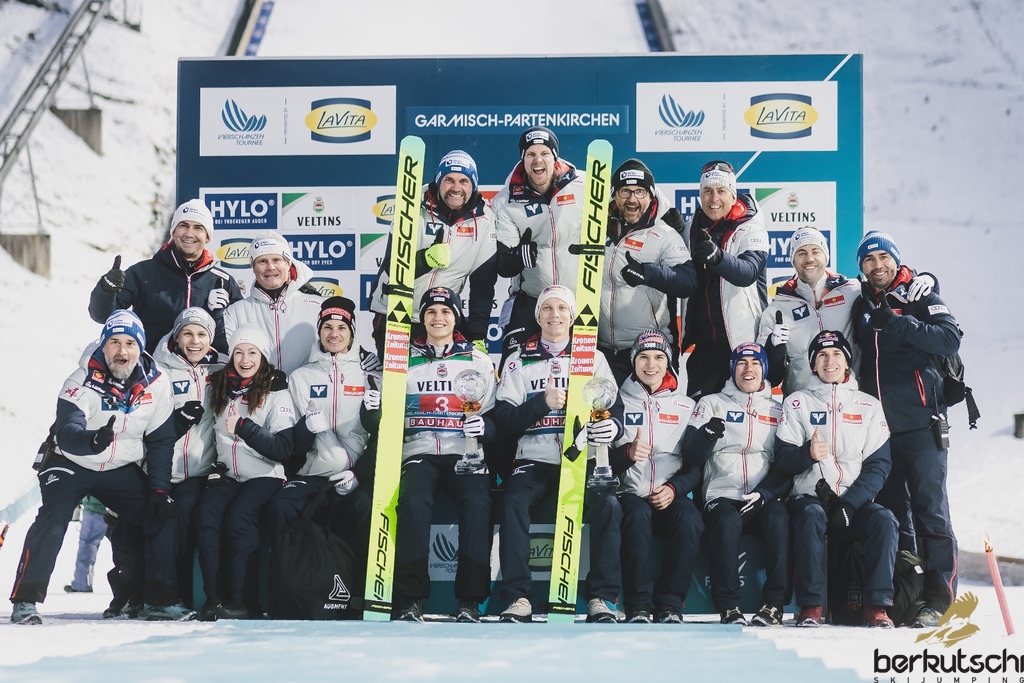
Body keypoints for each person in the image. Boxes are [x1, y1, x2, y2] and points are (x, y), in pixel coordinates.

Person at [9, 310, 186, 624]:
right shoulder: (81, 379)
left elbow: (160, 441)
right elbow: (67, 430)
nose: (122, 351)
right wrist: (91, 441)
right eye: (114, 342)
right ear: (103, 346)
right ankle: (25, 601)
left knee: (161, 514)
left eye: (130, 343)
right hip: (70, 461)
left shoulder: (158, 383)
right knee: (53, 519)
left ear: (140, 347)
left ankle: (157, 600)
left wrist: (159, 490)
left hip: (118, 466)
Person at [493, 285, 625, 624]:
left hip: (582, 459)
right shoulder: (519, 359)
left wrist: (613, 428)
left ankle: (601, 598)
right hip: (534, 458)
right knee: (512, 502)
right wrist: (542, 403)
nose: (555, 315)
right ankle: (518, 597)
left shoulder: (591, 358)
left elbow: (615, 410)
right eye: (547, 308)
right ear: (538, 316)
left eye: (562, 308)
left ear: (572, 316)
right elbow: (504, 420)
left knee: (610, 505)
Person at [852, 230, 961, 627]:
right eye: (869, 259)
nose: (877, 265)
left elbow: (949, 339)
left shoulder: (919, 295)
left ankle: (940, 598)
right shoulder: (861, 303)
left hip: (921, 425)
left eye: (884, 257)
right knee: (895, 515)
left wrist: (898, 323)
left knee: (931, 512)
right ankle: (910, 594)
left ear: (896, 260)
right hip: (880, 432)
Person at [772, 330, 897, 628]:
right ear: (813, 364)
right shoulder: (797, 402)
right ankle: (811, 606)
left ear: (847, 362)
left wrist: (851, 504)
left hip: (853, 502)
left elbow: (879, 465)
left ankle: (877, 606)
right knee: (811, 516)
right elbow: (783, 460)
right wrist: (807, 453)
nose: (830, 361)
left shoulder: (868, 405)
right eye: (822, 356)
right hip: (809, 497)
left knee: (885, 520)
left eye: (837, 354)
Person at [392, 287, 497, 623]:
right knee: (413, 502)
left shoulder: (477, 360)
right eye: (431, 312)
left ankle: (470, 601)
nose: (438, 318)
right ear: (422, 318)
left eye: (446, 312)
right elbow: (389, 413)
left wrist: (484, 427)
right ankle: (410, 599)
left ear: (456, 317)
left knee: (477, 502)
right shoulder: (402, 358)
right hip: (418, 450)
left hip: (464, 452)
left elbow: (495, 415)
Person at [268, 296, 378, 590]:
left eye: (342, 328)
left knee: (367, 507)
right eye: (327, 327)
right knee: (281, 505)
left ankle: (364, 594)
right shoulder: (300, 377)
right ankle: (286, 592)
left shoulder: (370, 374)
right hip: (314, 473)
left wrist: (359, 475)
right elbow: (290, 441)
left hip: (357, 473)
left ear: (352, 332)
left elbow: (382, 435)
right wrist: (306, 429)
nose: (334, 334)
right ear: (319, 332)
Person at [680, 342, 789, 626]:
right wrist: (707, 434)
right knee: (726, 522)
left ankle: (774, 605)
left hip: (761, 496)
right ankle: (729, 606)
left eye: (755, 363)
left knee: (779, 517)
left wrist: (765, 494)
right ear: (732, 369)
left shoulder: (778, 410)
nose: (748, 369)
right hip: (722, 493)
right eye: (741, 363)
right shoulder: (711, 403)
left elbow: (785, 464)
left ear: (765, 369)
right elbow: (690, 455)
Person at [194, 324, 296, 620]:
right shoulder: (220, 387)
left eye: (252, 352)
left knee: (240, 516)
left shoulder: (276, 392)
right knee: (207, 515)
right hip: (228, 474)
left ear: (263, 357)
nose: (245, 359)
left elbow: (283, 448)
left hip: (265, 474)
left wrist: (244, 427)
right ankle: (213, 597)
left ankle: (244, 600)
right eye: (238, 352)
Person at [758, 226, 937, 395]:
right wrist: (773, 349)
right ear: (792, 259)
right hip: (802, 405)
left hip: (852, 403)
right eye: (801, 253)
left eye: (815, 251)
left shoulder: (852, 290)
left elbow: (889, 282)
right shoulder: (777, 310)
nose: (809, 259)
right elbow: (766, 375)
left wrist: (927, 280)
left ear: (826, 256)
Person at [610, 329, 702, 624]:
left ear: (669, 362)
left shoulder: (686, 406)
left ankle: (670, 604)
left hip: (669, 493)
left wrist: (674, 489)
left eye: (659, 357)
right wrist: (627, 454)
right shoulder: (616, 402)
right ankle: (638, 604)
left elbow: (696, 466)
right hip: (629, 493)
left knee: (690, 520)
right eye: (644, 357)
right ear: (633, 362)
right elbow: (600, 461)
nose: (651, 365)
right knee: (636, 518)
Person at [369, 149, 498, 357]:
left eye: (464, 181)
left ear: (473, 185)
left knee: (443, 375)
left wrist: (477, 334)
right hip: (396, 311)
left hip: (440, 318)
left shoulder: (484, 220)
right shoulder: (411, 203)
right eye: (449, 180)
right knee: (396, 374)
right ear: (438, 181)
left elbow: (482, 285)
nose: (456, 188)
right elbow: (393, 266)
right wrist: (425, 259)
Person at [88, 199, 242, 354]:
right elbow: (102, 316)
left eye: (198, 228)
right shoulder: (142, 273)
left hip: (204, 368)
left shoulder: (223, 281)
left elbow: (241, 335)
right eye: (183, 225)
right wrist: (106, 288)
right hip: (153, 366)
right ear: (173, 232)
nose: (189, 234)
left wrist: (216, 315)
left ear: (207, 237)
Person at [150, 306, 225, 613]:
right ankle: (142, 595)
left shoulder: (219, 370)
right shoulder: (157, 371)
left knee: (182, 520)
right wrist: (177, 420)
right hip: (160, 470)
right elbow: (145, 422)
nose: (195, 341)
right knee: (146, 526)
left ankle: (175, 596)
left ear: (211, 339)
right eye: (188, 334)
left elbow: (252, 376)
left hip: (198, 471)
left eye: (202, 335)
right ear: (176, 337)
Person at [492, 126, 585, 369]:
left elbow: (633, 194)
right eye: (530, 154)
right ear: (523, 159)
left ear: (555, 157)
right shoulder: (506, 200)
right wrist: (517, 256)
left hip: (579, 298)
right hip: (532, 298)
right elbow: (503, 265)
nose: (538, 160)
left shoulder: (585, 185)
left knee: (582, 372)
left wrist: (666, 215)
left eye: (544, 153)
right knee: (512, 368)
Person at [599, 159, 697, 385]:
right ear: (614, 195)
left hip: (649, 351)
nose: (632, 199)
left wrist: (648, 273)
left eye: (640, 192)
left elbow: (688, 281)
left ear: (651, 196)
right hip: (602, 351)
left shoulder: (664, 234)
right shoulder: (595, 230)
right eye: (625, 191)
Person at [680, 161, 769, 399]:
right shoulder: (690, 228)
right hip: (704, 350)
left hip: (743, 347)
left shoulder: (751, 228)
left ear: (733, 194)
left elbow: (748, 272)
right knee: (700, 415)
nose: (714, 198)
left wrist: (717, 257)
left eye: (721, 191)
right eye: (707, 191)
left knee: (744, 416)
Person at [223, 231, 325, 374]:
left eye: (277, 260)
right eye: (262, 261)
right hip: (259, 388)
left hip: (307, 387)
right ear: (253, 267)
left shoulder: (318, 306)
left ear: (288, 264)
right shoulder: (236, 312)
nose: (270, 267)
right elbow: (228, 360)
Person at [64, 496, 109, 594]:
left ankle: (82, 584)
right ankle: (130, 583)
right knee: (124, 546)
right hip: (109, 506)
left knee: (87, 545)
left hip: (95, 507)